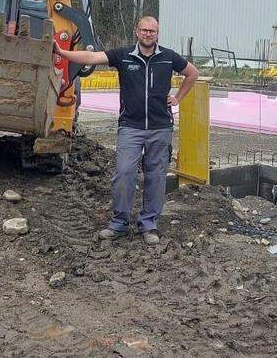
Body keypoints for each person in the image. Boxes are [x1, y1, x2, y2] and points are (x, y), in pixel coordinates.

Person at [53, 16, 199, 244]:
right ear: (137, 32)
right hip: (130, 127)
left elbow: (192, 74)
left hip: (160, 128)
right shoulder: (123, 56)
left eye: (152, 31)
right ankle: (119, 223)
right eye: (144, 30)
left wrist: (178, 97)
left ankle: (149, 224)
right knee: (124, 173)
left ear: (157, 33)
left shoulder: (168, 58)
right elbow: (91, 57)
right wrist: (62, 53)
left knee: (156, 177)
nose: (148, 34)